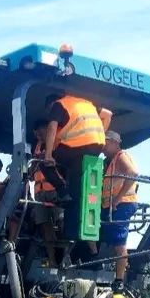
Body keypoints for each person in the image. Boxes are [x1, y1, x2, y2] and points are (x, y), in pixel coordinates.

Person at [39, 93, 112, 239]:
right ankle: (68, 193)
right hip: (97, 145)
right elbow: (108, 114)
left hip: (78, 146)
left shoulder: (59, 105)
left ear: (51, 105)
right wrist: (100, 134)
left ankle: (62, 190)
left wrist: (47, 155)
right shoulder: (85, 103)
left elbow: (52, 127)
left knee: (43, 162)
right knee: (76, 179)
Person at [100, 130, 139, 293]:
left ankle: (119, 280)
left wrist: (117, 199)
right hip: (111, 206)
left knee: (119, 242)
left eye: (105, 143)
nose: (103, 147)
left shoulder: (121, 156)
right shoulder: (108, 162)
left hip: (122, 205)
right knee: (108, 239)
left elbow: (133, 174)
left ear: (115, 143)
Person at [29, 120, 62, 264]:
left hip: (55, 190)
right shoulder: (35, 149)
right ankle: (52, 260)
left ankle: (65, 257)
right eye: (36, 132)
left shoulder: (57, 144)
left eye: (41, 131)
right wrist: (37, 161)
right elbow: (30, 174)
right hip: (40, 194)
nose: (39, 135)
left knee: (61, 223)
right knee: (45, 228)